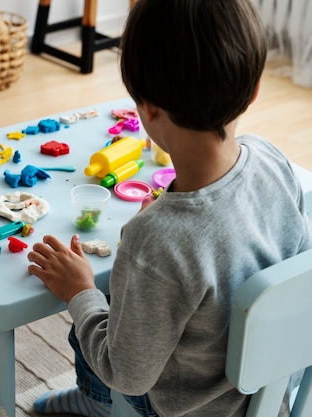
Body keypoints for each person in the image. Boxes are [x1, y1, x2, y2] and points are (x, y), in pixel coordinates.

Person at [26, 0, 312, 416]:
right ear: (253, 92)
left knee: (95, 306)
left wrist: (79, 291)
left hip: (187, 408)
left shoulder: (152, 240)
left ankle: (95, 402)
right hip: (272, 390)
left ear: (149, 108)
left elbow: (127, 374)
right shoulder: (270, 159)